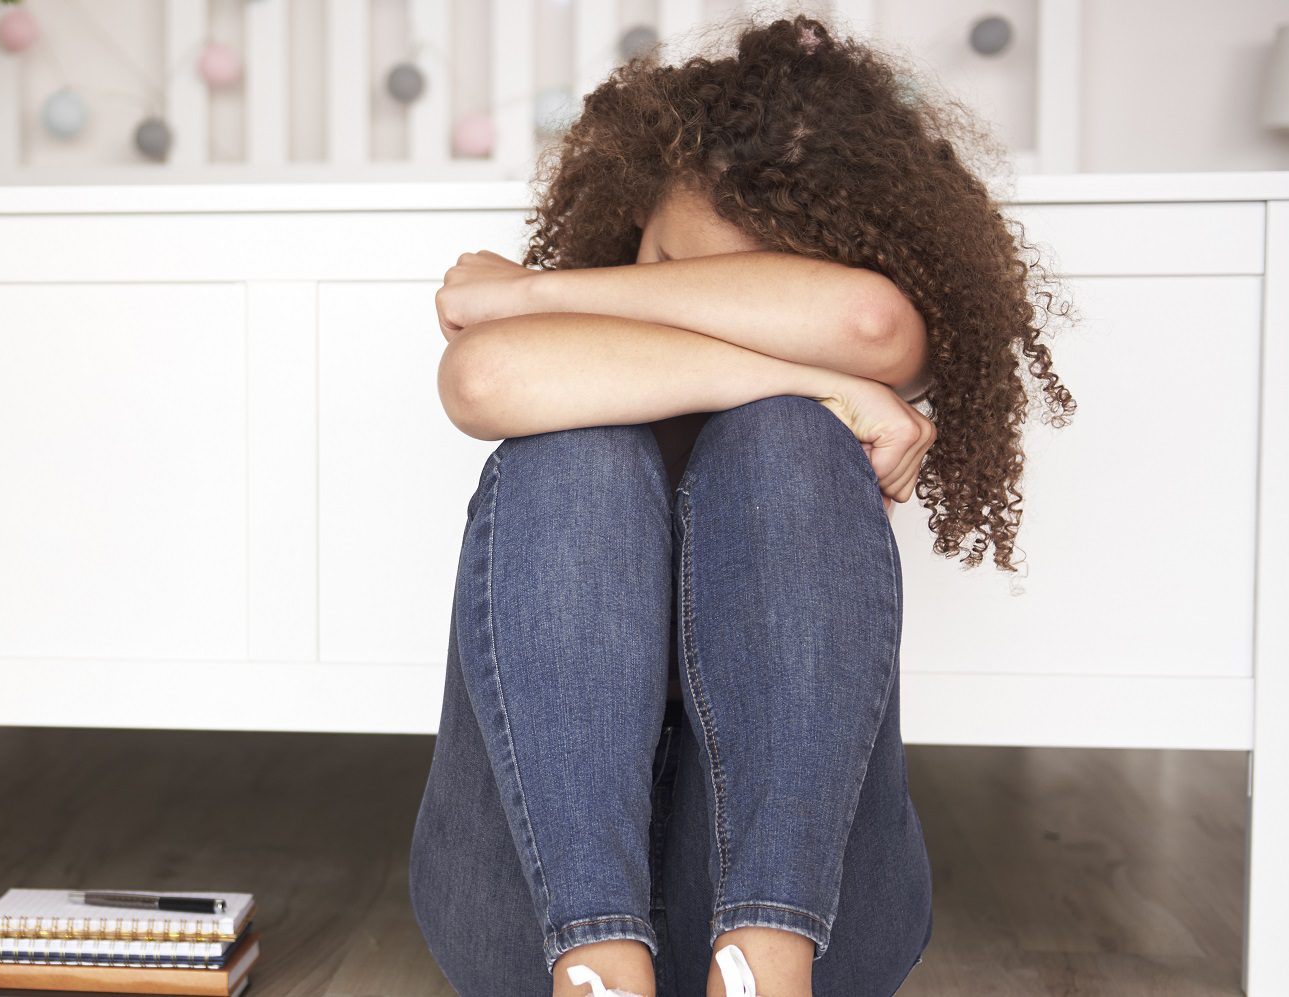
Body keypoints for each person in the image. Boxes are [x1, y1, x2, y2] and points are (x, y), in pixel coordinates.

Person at [405, 12, 1077, 997]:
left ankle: (765, 960)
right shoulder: (826, 384)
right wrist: (813, 381)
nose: (649, 286)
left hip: (819, 916)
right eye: (654, 259)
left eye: (716, 282)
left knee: (786, 445)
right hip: (532, 917)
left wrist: (540, 293)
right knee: (577, 450)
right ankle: (600, 965)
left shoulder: (865, 340)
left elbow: (870, 318)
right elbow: (486, 374)